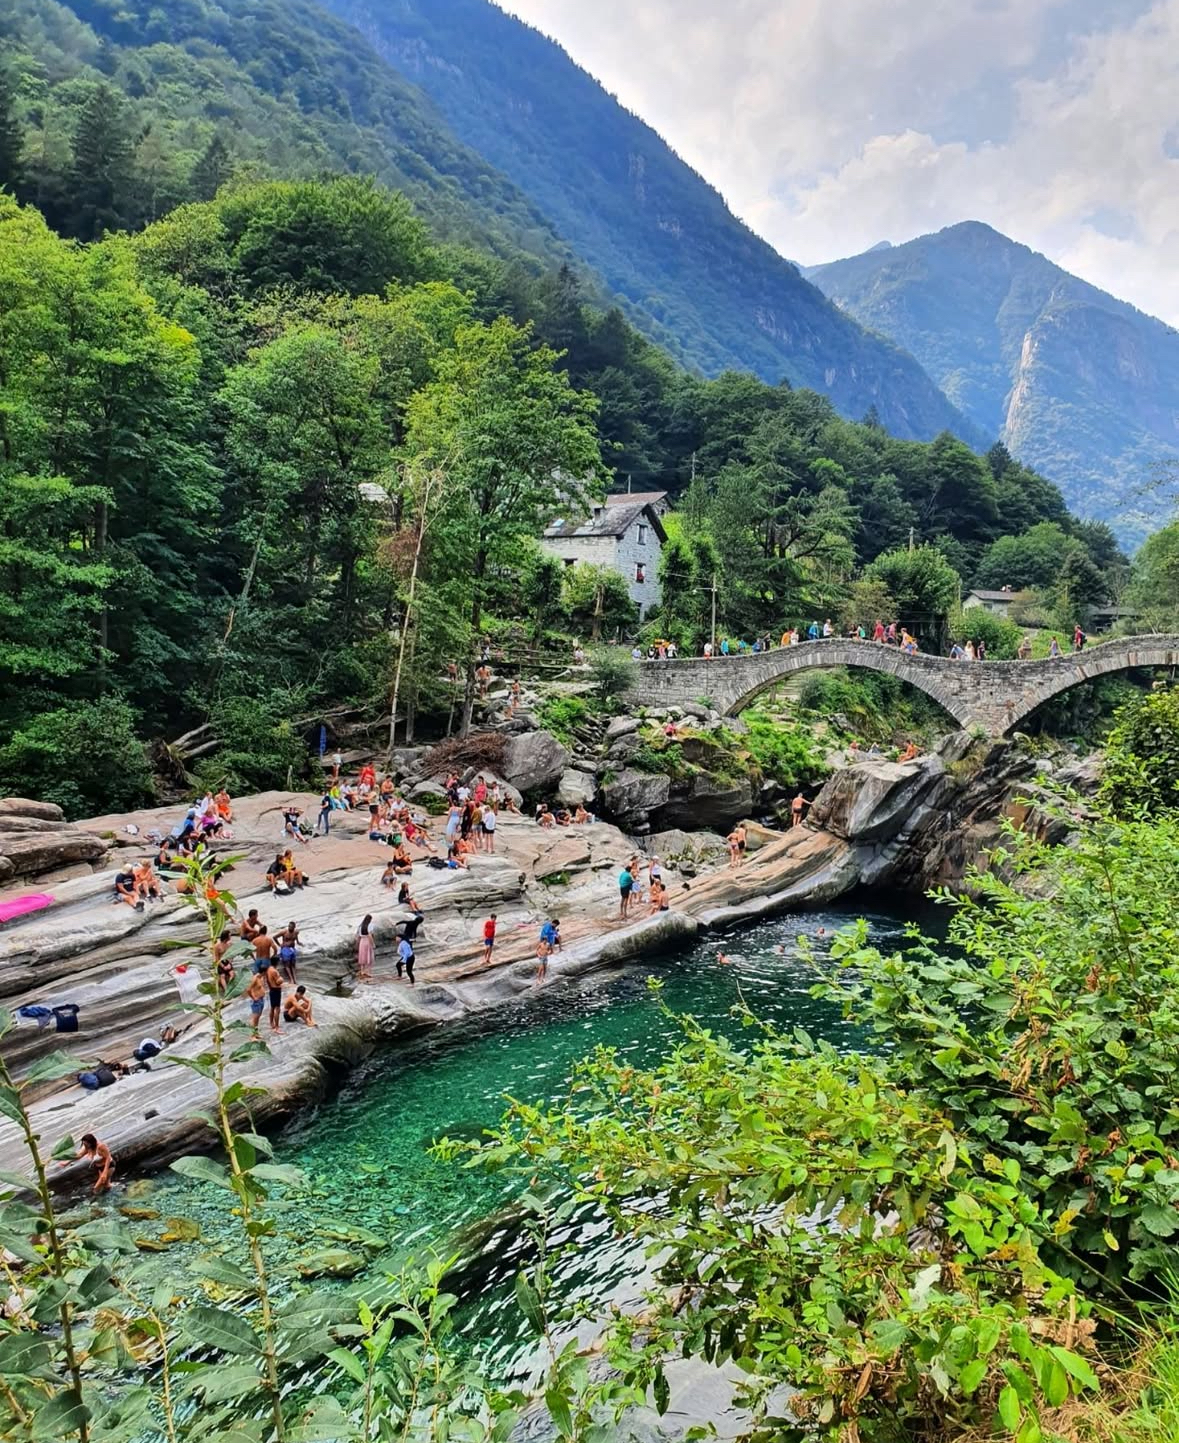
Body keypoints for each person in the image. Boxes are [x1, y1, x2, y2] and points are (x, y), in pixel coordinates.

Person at [264, 959, 284, 1036]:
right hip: (276, 990)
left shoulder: (268, 969)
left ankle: (271, 1023)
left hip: (272, 990)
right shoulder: (274, 971)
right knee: (277, 1009)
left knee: (272, 1008)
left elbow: (268, 981)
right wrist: (281, 979)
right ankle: (277, 1027)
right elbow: (278, 981)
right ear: (277, 962)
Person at [246, 970, 267, 1039]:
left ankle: (256, 1033)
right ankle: (252, 1036)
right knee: (254, 1019)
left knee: (257, 1018)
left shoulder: (261, 978)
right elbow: (248, 989)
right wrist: (253, 998)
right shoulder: (255, 978)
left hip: (261, 999)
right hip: (256, 1001)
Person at [356, 915, 375, 981]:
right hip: (367, 941)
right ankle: (368, 972)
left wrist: (357, 943)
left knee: (362, 956)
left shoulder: (360, 926)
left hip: (362, 941)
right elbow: (370, 935)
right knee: (369, 956)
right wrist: (373, 943)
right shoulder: (370, 925)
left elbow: (358, 936)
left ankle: (362, 971)